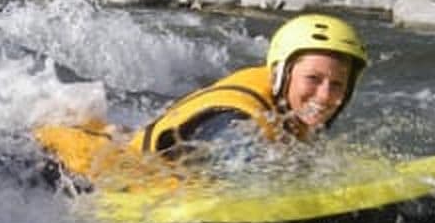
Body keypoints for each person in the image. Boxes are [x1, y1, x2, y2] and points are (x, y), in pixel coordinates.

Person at [33, 13, 367, 188]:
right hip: (72, 169)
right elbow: (241, 182)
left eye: (338, 84)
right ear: (282, 75)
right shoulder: (238, 127)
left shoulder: (288, 110)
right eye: (313, 79)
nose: (326, 96)